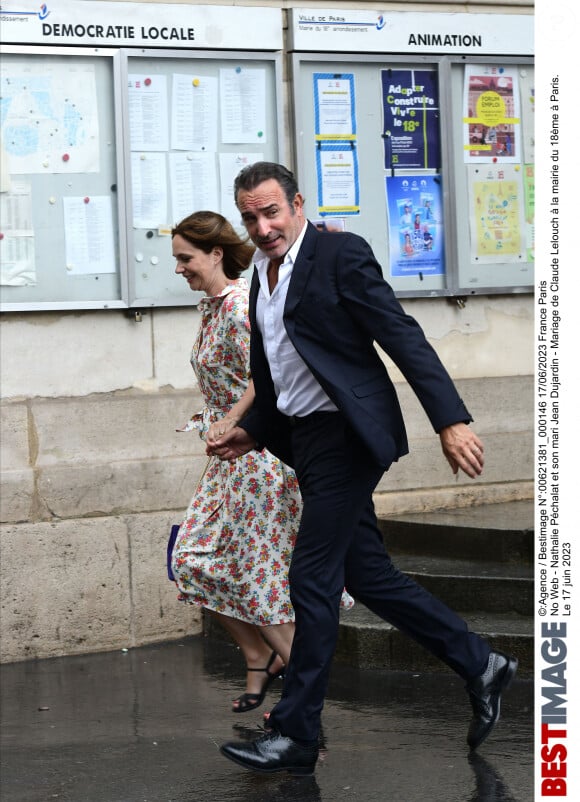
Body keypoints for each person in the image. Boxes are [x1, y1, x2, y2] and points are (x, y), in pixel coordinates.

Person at [208, 162, 518, 776]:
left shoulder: (338, 254)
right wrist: (254, 429)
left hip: (348, 437)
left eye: (271, 211)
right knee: (369, 576)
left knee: (312, 577)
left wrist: (449, 420)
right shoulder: (264, 277)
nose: (263, 226)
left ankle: (296, 733)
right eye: (250, 217)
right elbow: (278, 375)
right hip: (306, 440)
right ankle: (481, 663)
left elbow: (401, 335)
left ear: (296, 204)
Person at [169, 211, 298, 714]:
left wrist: (234, 417)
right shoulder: (213, 306)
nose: (179, 268)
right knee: (190, 561)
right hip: (228, 459)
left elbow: (264, 377)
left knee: (257, 579)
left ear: (215, 253)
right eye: (177, 259)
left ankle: (305, 702)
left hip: (259, 456)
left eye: (186, 258)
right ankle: (257, 653)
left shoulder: (242, 303)